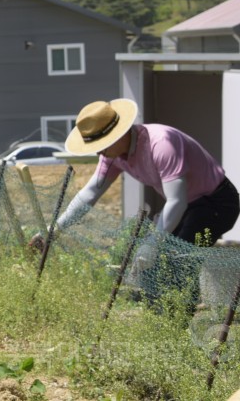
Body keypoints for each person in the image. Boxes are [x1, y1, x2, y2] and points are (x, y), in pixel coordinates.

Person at [30, 99, 240, 306]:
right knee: (160, 263)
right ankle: (162, 320)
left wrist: (151, 243)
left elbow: (177, 201)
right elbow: (90, 193)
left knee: (180, 262)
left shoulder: (161, 144)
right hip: (188, 205)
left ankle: (177, 326)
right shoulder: (112, 155)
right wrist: (55, 229)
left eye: (101, 145)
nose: (98, 152)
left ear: (118, 135)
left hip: (216, 201)